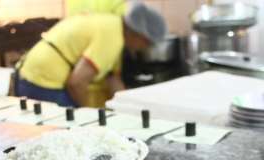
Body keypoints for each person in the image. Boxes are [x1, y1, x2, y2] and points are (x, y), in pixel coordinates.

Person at [16, 3, 166, 108]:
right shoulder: (112, 37)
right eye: (147, 44)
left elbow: (113, 79)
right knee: (71, 133)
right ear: (140, 36)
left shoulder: (113, 25)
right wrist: (86, 115)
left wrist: (127, 108)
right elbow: (77, 83)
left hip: (32, 72)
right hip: (44, 81)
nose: (142, 49)